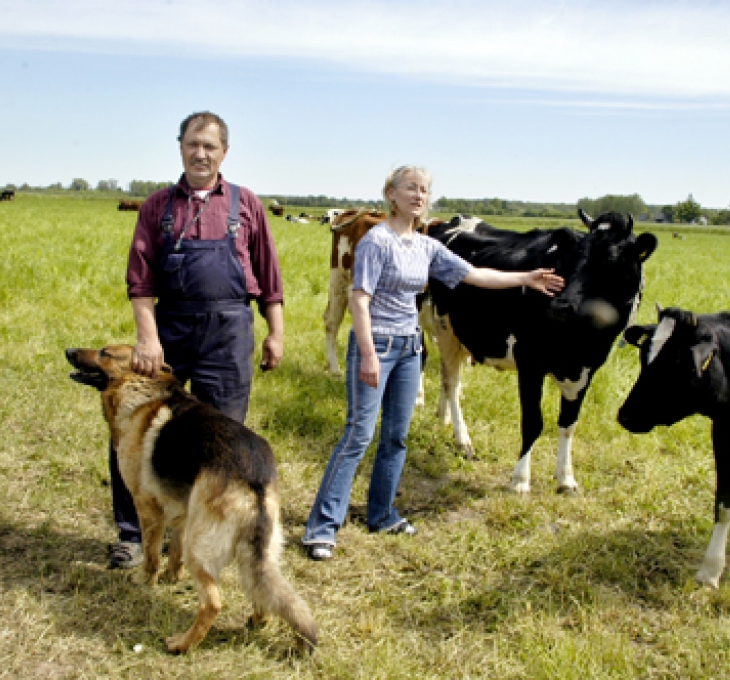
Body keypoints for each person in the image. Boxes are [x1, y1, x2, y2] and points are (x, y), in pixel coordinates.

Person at [301, 165, 565, 561]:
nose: (418, 196)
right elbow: (359, 298)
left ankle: (382, 514)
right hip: (377, 345)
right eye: (410, 188)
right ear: (391, 193)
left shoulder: (425, 246)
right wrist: (369, 353)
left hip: (410, 348)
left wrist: (524, 278)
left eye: (424, 190)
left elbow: (474, 275)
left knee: (396, 436)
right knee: (358, 434)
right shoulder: (377, 241)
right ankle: (322, 527)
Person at [109, 111, 285, 568]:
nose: (201, 153)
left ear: (224, 151)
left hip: (229, 333)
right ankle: (131, 533)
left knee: (218, 440)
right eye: (193, 143)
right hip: (170, 330)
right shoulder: (157, 207)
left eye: (210, 145)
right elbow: (141, 282)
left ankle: (195, 539)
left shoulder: (246, 204)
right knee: (136, 428)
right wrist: (148, 341)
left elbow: (269, 279)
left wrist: (276, 333)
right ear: (180, 147)